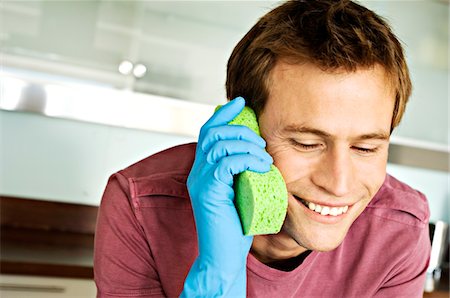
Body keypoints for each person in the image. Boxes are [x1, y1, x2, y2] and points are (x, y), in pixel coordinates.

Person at [94, 1, 431, 297]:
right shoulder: (141, 205)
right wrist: (217, 280)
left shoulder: (399, 230)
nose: (338, 184)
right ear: (244, 127)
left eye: (366, 147)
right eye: (307, 143)